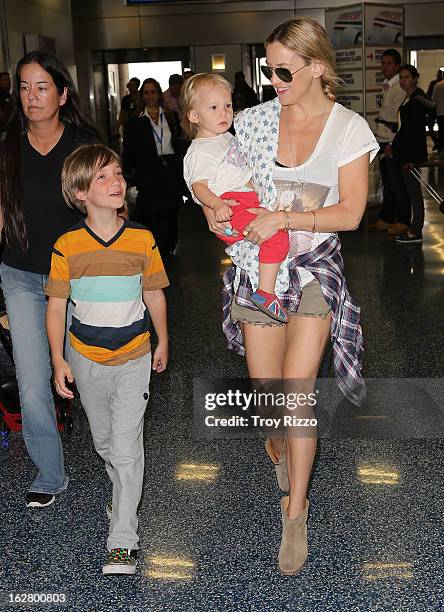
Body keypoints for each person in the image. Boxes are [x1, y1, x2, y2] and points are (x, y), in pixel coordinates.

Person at [201, 17, 378, 575]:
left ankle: (296, 512)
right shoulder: (252, 122)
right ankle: (277, 440)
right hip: (258, 271)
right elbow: (214, 174)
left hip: (312, 273)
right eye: (268, 68)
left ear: (317, 68)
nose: (273, 78)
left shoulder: (349, 129)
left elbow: (350, 212)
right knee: (267, 393)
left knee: (298, 395)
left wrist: (287, 215)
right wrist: (214, 212)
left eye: (283, 69)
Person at [45, 144, 169, 575]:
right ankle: (121, 497)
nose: (116, 182)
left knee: (125, 447)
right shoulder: (67, 246)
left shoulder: (142, 239)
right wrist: (59, 360)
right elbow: (58, 306)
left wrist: (163, 340)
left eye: (117, 173)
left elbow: (153, 292)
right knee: (104, 444)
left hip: (135, 353)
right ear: (80, 192)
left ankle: (123, 536)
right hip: (85, 358)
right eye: (102, 177)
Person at [0, 51, 100, 508]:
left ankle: (115, 458)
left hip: (77, 278)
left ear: (62, 93)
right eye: (24, 87)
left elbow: (109, 208)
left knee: (92, 373)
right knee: (32, 379)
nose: (32, 96)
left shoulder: (84, 145)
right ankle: (49, 473)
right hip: (20, 275)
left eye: (42, 86)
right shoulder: (7, 145)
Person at [182, 73, 289, 322]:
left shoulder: (226, 137)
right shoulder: (200, 150)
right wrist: (216, 204)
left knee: (277, 234)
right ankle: (265, 292)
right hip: (231, 204)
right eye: (214, 108)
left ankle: (266, 285)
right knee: (275, 235)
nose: (224, 113)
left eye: (228, 106)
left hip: (244, 199)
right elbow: (198, 186)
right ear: (194, 116)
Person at [123, 77, 183, 256]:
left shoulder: (171, 116)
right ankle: (155, 249)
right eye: (146, 92)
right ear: (142, 96)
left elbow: (178, 143)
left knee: (171, 211)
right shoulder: (135, 122)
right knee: (151, 214)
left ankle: (169, 247)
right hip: (148, 173)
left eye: (153, 92)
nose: (150, 96)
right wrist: (128, 178)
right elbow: (129, 152)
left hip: (170, 171)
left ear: (159, 94)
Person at [391, 65, 435, 244]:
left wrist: (412, 158)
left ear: (415, 78)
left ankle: (416, 231)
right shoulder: (409, 97)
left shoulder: (417, 100)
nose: (403, 81)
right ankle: (414, 228)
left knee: (415, 194)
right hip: (405, 153)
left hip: (410, 155)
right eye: (401, 77)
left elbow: (415, 132)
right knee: (412, 192)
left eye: (407, 77)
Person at [369, 49, 408, 234]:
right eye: (383, 63)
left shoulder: (399, 87)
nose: (385, 67)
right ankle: (387, 218)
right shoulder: (387, 85)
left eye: (389, 63)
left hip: (392, 141)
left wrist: (392, 143)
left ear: (397, 65)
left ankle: (403, 220)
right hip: (383, 138)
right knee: (387, 182)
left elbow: (398, 120)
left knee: (397, 183)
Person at [426, 69, 443, 150]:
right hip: (440, 110)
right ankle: (439, 144)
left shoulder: (435, 84)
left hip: (434, 109)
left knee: (431, 127)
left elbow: (431, 96)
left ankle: (438, 143)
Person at [432, 76, 444, 154]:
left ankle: (441, 147)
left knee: (442, 131)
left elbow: (434, 99)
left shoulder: (438, 85)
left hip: (440, 112)